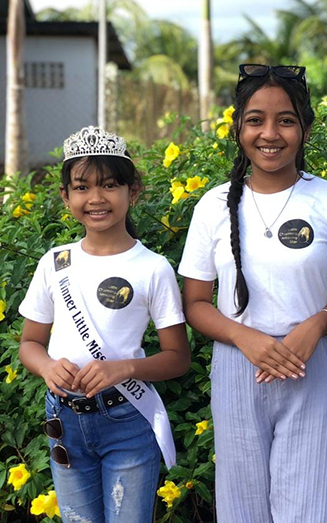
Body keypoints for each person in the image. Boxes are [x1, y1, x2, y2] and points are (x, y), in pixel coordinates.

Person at [178, 64, 327, 523]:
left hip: (313, 364)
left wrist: (314, 327)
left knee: (312, 507)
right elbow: (195, 303)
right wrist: (245, 338)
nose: (270, 134)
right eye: (255, 120)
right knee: (241, 507)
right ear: (237, 128)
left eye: (285, 120)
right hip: (237, 365)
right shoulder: (213, 205)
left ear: (306, 129)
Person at [18, 126, 190, 523]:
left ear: (133, 191)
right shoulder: (54, 263)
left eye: (110, 185)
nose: (96, 198)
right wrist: (47, 367)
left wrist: (123, 368)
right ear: (65, 196)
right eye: (82, 187)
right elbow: (29, 343)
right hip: (63, 419)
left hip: (127, 419)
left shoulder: (153, 268)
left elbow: (178, 358)